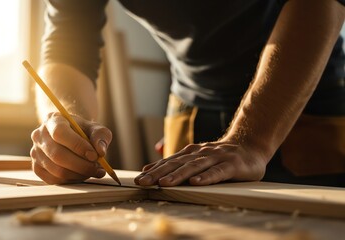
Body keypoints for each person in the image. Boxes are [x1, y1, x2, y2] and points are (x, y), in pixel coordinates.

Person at [30, 0, 345, 187]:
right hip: (192, 113)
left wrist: (251, 141)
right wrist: (65, 119)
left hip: (303, 105)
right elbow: (66, 43)